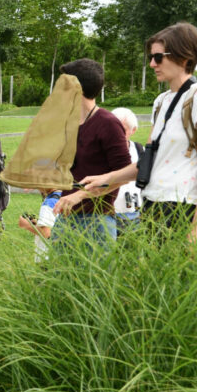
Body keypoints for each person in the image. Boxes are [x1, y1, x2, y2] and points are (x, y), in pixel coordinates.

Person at [80, 22, 197, 245]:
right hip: (152, 204)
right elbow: (146, 162)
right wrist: (106, 178)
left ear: (184, 58)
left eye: (158, 57)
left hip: (182, 207)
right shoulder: (161, 102)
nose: (152, 63)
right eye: (151, 57)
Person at [51, 59, 132, 250]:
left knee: (93, 281)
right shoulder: (70, 123)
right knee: (58, 278)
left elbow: (125, 174)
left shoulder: (107, 123)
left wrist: (80, 195)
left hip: (96, 222)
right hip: (65, 219)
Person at [109, 107, 143, 234]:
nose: (116, 134)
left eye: (122, 130)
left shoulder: (140, 150)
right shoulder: (99, 151)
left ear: (133, 130)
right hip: (108, 216)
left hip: (135, 215)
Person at [18, 189, 62, 262]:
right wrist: (38, 223)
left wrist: (26, 225)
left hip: (46, 257)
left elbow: (47, 233)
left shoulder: (49, 202)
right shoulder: (63, 197)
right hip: (58, 255)